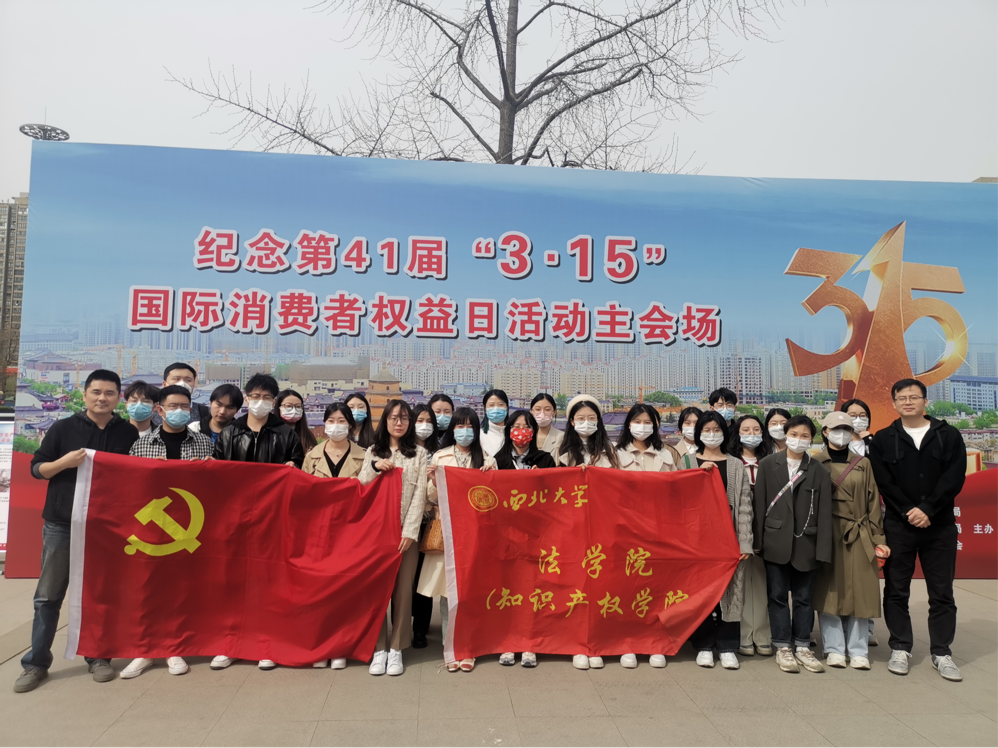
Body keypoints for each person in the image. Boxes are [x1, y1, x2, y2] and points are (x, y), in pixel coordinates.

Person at [15, 370, 139, 693]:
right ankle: (36, 663)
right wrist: (65, 463)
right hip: (62, 523)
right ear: (84, 395)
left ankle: (98, 657)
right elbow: (37, 469)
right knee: (48, 596)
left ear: (118, 398)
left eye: (109, 393)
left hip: (105, 526)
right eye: (96, 392)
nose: (102, 398)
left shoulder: (127, 433)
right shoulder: (63, 428)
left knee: (99, 594)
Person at [869, 378, 967, 682]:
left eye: (914, 397)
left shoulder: (948, 435)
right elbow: (884, 481)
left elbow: (955, 476)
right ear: (894, 403)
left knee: (942, 592)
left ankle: (942, 652)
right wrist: (908, 511)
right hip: (899, 526)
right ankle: (900, 647)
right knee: (896, 590)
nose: (908, 402)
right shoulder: (884, 439)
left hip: (940, 526)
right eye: (902, 398)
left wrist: (928, 509)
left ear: (925, 401)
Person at [210, 373, 306, 672]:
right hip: (236, 520)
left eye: (266, 398)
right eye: (255, 396)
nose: (260, 402)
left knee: (269, 583)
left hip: (273, 520)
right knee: (233, 583)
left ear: (274, 402)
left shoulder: (286, 434)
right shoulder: (230, 433)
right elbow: (216, 476)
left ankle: (267, 642)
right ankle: (230, 643)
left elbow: (300, 472)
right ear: (246, 397)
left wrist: (293, 468)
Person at [120, 385, 215, 679]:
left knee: (181, 591)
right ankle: (146, 650)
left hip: (191, 528)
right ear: (159, 410)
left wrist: (211, 469)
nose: (179, 411)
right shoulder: (141, 446)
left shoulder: (204, 443)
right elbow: (129, 488)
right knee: (148, 590)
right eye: (173, 406)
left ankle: (174, 647)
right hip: (152, 532)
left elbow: (215, 488)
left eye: (185, 407)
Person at [418, 407, 497, 672]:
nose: (465, 431)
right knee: (448, 592)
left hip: (476, 534)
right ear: (452, 429)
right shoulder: (440, 456)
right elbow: (429, 498)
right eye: (460, 426)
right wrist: (433, 480)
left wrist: (490, 475)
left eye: (470, 426)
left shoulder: (487, 458)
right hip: (449, 531)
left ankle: (469, 647)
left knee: (472, 591)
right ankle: (449, 645)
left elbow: (493, 499)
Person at [753, 415, 832, 674]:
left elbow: (825, 513)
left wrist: (823, 549)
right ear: (785, 435)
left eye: (805, 436)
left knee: (803, 598)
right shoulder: (768, 464)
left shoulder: (819, 470)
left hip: (807, 542)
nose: (799, 440)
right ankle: (782, 646)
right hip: (775, 541)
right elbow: (760, 504)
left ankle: (802, 645)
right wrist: (758, 543)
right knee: (776, 597)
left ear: (812, 439)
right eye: (794, 434)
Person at [813, 412, 889, 670]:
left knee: (861, 591)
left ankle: (858, 649)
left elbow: (873, 503)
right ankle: (833, 648)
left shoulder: (863, 463)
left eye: (846, 428)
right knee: (829, 591)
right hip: (827, 533)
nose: (842, 433)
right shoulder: (815, 463)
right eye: (836, 428)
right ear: (825, 432)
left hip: (859, 532)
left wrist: (878, 538)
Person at [358, 399, 427, 677]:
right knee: (376, 591)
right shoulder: (373, 451)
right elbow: (361, 484)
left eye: (405, 418)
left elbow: (420, 495)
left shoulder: (419, 454)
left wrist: (410, 531)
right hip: (376, 533)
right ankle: (379, 648)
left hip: (405, 534)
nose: (399, 423)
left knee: (402, 590)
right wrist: (375, 467)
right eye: (394, 418)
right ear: (384, 420)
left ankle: (397, 647)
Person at [302, 402, 367, 669]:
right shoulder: (312, 456)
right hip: (319, 532)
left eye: (341, 421)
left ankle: (340, 646)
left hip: (351, 531)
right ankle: (320, 645)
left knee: (345, 590)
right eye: (331, 420)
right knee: (319, 590)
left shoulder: (365, 456)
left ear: (350, 425)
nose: (336, 426)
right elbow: (303, 494)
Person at [687, 411, 754, 670]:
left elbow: (745, 506)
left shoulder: (736, 464)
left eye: (717, 430)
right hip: (697, 540)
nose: (712, 434)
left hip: (729, 539)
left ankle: (727, 646)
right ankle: (703, 645)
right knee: (702, 593)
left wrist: (745, 542)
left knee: (731, 592)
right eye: (707, 429)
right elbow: (677, 498)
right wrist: (697, 475)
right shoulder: (687, 461)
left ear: (725, 434)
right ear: (699, 433)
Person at [558, 395, 620, 670]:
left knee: (601, 585)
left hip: (603, 526)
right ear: (572, 422)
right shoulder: (560, 451)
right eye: (581, 418)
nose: (586, 423)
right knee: (575, 586)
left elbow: (620, 486)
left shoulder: (611, 450)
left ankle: (598, 641)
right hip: (571, 528)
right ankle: (577, 643)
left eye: (592, 418)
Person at [615, 403, 675, 669]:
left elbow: (678, 491)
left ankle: (655, 642)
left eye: (648, 422)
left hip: (658, 531)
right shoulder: (614, 454)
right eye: (637, 421)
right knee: (626, 589)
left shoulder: (666, 455)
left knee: (657, 588)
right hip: (625, 532)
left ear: (655, 426)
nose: (642, 426)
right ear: (628, 424)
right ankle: (627, 641)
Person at [728, 415, 774, 658]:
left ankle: (763, 635)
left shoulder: (771, 460)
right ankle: (744, 635)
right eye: (745, 429)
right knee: (741, 583)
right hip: (739, 529)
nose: (751, 434)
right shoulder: (731, 462)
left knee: (763, 583)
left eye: (756, 429)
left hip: (767, 529)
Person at [840, 397, 879, 646]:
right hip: (842, 517)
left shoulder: (875, 444)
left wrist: (870, 441)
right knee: (841, 576)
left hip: (870, 514)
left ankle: (867, 628)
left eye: (862, 415)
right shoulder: (837, 444)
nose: (857, 419)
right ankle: (841, 626)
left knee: (866, 575)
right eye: (852, 415)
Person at [410, 403, 439, 649]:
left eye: (429, 421)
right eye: (420, 420)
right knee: (405, 579)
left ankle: (421, 628)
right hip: (405, 522)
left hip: (430, 522)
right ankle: (404, 623)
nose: (424, 425)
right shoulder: (404, 451)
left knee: (424, 577)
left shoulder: (440, 452)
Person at [152, 362, 208, 428]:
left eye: (188, 380)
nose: (182, 383)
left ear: (193, 385)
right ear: (164, 384)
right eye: (177, 379)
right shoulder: (150, 413)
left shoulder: (204, 412)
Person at [277, 389, 318, 454]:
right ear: (279, 407)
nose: (294, 410)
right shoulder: (271, 434)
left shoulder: (307, 435)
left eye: (298, 406)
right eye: (288, 406)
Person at [480, 389, 509, 457]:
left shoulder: (514, 433)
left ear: (507, 408)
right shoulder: (479, 435)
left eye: (500, 405)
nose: (496, 408)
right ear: (485, 409)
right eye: (491, 405)